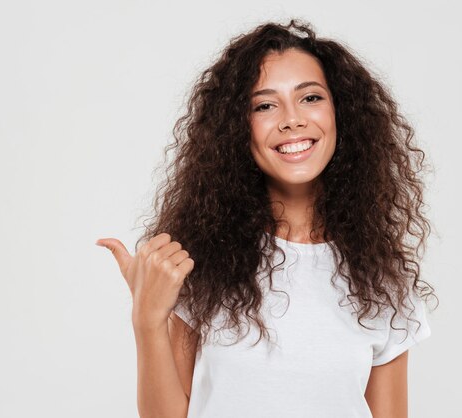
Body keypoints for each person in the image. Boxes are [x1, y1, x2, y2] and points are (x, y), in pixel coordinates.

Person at [96, 18, 437, 418]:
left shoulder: (381, 279)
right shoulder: (203, 259)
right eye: (264, 105)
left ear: (341, 113)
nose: (292, 119)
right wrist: (147, 318)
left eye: (310, 98)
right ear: (238, 130)